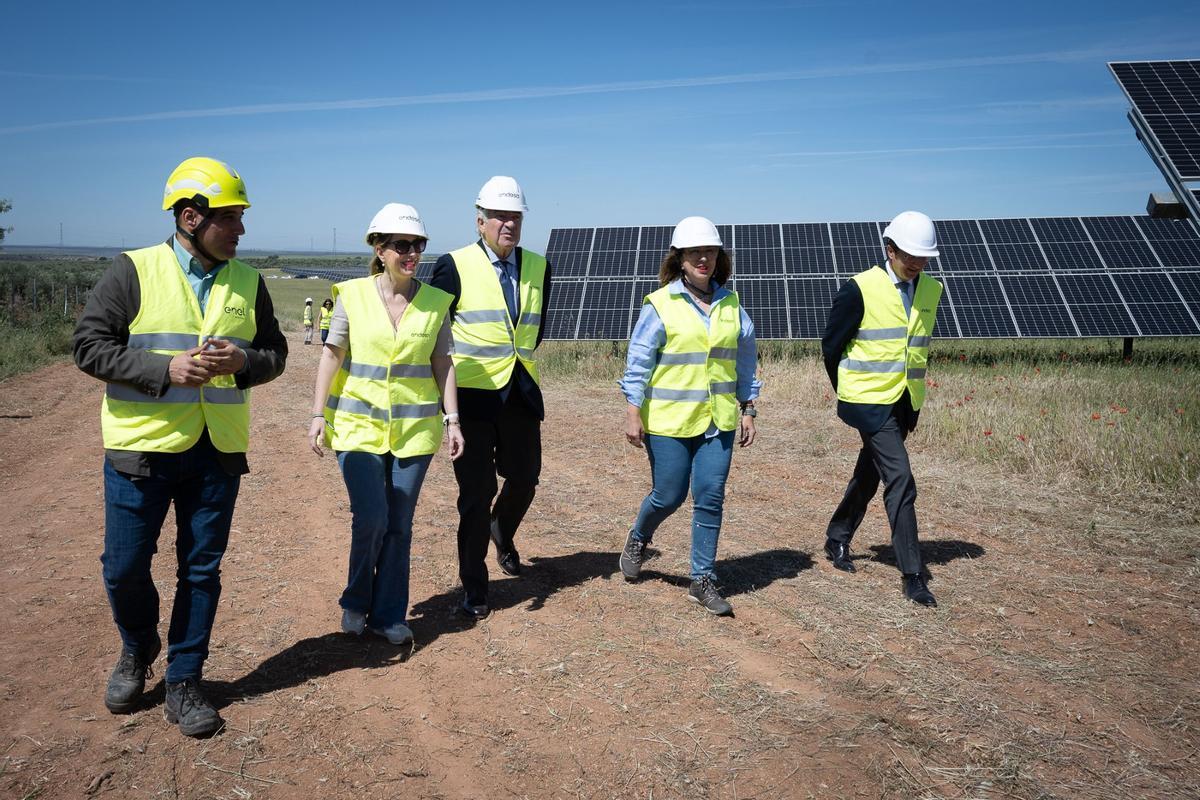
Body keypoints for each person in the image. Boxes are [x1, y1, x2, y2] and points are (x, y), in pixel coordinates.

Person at [73, 156, 287, 736]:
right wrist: (162, 367)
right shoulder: (131, 271)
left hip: (216, 452)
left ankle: (184, 679)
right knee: (123, 569)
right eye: (231, 220)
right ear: (191, 218)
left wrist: (245, 362)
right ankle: (138, 647)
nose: (241, 231)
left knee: (200, 570)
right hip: (141, 450)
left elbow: (276, 353)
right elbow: (89, 347)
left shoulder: (249, 281)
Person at [308, 203, 464, 645]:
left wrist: (453, 420)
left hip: (414, 434)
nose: (411, 253)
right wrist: (318, 414)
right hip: (358, 430)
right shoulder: (351, 296)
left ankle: (389, 614)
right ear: (379, 249)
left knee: (400, 523)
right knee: (372, 518)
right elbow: (331, 356)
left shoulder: (436, 303)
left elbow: (442, 363)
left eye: (418, 245)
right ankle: (357, 601)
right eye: (401, 245)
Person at [617, 217, 761, 616]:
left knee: (710, 496)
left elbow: (745, 362)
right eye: (695, 252)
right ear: (679, 259)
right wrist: (633, 409)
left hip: (717, 421)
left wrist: (748, 407)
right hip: (668, 421)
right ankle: (639, 536)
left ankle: (702, 579)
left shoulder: (732, 305)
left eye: (710, 251)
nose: (703, 258)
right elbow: (639, 361)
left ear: (719, 257)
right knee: (669, 494)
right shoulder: (660, 304)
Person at [429, 176, 551, 620]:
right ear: (480, 221)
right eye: (500, 216)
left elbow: (534, 329)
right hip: (472, 398)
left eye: (515, 216)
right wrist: (448, 411)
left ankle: (503, 529)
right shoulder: (452, 265)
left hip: (520, 393)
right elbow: (435, 335)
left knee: (525, 479)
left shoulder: (538, 266)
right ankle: (475, 586)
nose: (509, 224)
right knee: (475, 495)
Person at [820, 211, 943, 608]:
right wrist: (850, 392)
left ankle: (837, 536)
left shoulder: (931, 290)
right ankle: (913, 575)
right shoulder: (860, 289)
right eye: (911, 255)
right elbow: (831, 347)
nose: (918, 263)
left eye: (925, 257)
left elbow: (914, 348)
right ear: (889, 250)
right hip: (869, 402)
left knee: (870, 472)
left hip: (904, 402)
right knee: (901, 478)